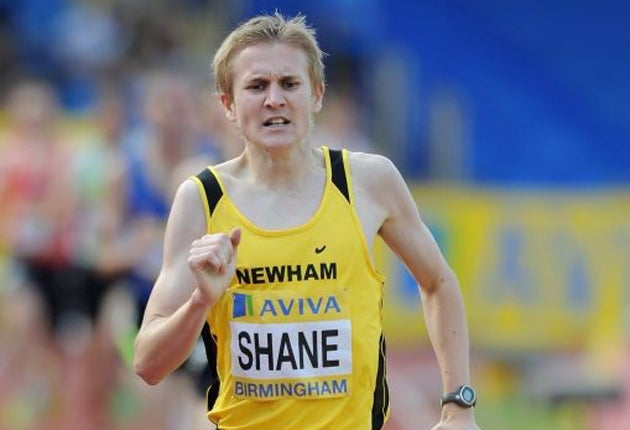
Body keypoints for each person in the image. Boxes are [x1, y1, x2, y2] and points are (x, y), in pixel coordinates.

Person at [134, 12, 481, 430]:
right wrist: (199, 303)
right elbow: (148, 365)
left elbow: (439, 282)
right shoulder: (201, 198)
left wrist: (459, 406)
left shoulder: (367, 182)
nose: (274, 99)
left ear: (317, 95)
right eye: (257, 86)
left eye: (289, 84)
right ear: (227, 104)